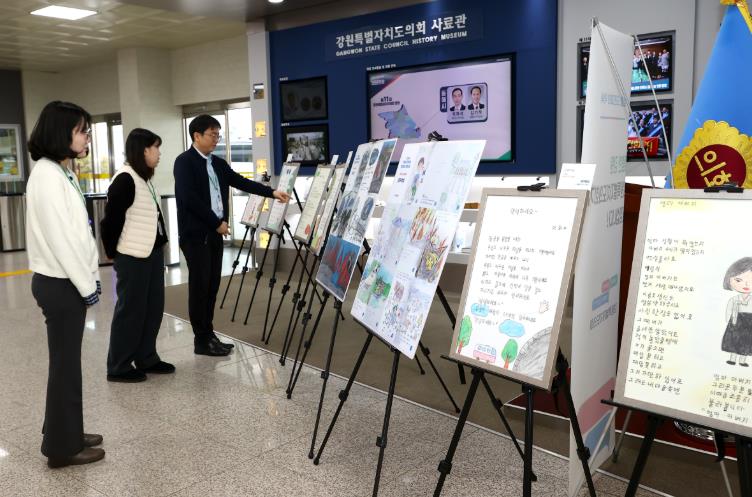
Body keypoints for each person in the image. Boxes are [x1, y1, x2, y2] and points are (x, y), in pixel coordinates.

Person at [26, 101, 105, 468]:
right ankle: (62, 448)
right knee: (65, 367)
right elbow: (62, 240)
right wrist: (87, 285)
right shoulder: (46, 175)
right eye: (81, 130)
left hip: (66, 279)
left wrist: (90, 277)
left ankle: (65, 431)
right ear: (62, 133)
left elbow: (78, 233)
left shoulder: (60, 171)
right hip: (60, 283)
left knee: (66, 364)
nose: (87, 137)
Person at [174, 114, 290, 356]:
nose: (216, 139)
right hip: (196, 235)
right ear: (197, 136)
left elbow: (240, 182)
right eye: (212, 135)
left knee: (212, 286)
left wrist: (271, 192)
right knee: (200, 287)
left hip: (215, 233)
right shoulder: (184, 162)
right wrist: (216, 223)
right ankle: (201, 340)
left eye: (218, 135)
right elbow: (189, 199)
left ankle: (209, 334)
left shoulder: (217, 163)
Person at [100, 128, 172, 382]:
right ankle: (118, 366)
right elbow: (110, 221)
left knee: (152, 308)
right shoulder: (125, 179)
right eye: (156, 148)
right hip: (132, 256)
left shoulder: (144, 178)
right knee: (130, 310)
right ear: (143, 150)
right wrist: (112, 253)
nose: (159, 153)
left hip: (151, 254)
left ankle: (146, 357)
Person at [722, 257, 752, 367]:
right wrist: (728, 320)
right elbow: (729, 310)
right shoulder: (734, 299)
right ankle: (732, 359)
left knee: (746, 341)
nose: (746, 284)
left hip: (750, 322)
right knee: (733, 340)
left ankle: (743, 360)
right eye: (738, 280)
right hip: (736, 321)